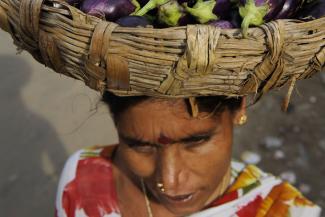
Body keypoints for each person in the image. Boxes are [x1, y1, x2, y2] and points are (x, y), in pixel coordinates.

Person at [55, 92, 322, 217]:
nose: (169, 182)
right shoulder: (82, 178)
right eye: (140, 145)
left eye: (196, 140)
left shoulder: (284, 212)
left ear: (239, 107)